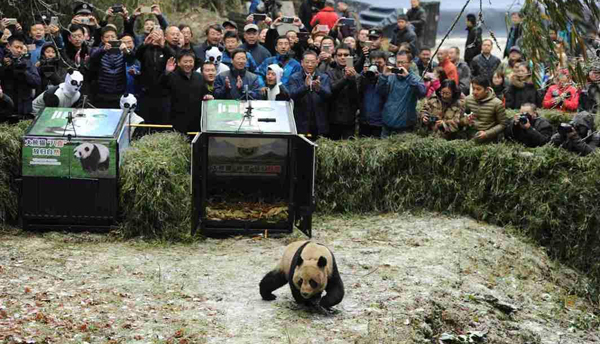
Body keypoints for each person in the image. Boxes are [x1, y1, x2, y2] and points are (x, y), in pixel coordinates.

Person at [377, 50, 426, 138]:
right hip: (387, 125)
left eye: (403, 63)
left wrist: (408, 77)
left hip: (405, 127)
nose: (400, 65)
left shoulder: (415, 78)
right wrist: (383, 77)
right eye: (398, 62)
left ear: (410, 63)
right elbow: (380, 92)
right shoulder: (390, 76)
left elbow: (422, 93)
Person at [161, 52, 213, 134]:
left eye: (190, 61)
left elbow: (205, 92)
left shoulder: (199, 77)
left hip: (196, 119)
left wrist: (208, 96)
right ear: (178, 63)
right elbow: (161, 88)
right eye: (185, 62)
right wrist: (167, 72)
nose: (188, 64)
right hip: (177, 119)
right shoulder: (171, 76)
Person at [288, 50, 332, 137]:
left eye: (312, 62)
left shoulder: (324, 77)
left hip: (319, 120)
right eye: (307, 62)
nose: (310, 65)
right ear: (302, 63)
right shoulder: (295, 77)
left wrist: (319, 89)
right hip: (301, 120)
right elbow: (293, 95)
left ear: (317, 62)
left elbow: (329, 95)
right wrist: (305, 87)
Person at [135, 27, 174, 124]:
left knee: (163, 120)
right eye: (154, 35)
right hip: (147, 91)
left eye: (159, 35)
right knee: (147, 120)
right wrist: (144, 44)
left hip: (164, 91)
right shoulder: (145, 49)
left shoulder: (167, 49)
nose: (156, 37)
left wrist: (162, 45)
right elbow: (136, 55)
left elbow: (174, 57)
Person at [89, 26, 132, 108]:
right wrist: (103, 50)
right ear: (102, 39)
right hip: (101, 94)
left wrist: (126, 51)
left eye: (113, 36)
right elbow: (93, 58)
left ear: (117, 38)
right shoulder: (97, 50)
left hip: (119, 93)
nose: (110, 39)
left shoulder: (123, 51)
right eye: (107, 37)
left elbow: (132, 59)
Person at [0, 33, 41, 117]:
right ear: (8, 46)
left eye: (21, 48)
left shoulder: (27, 63)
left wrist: (24, 72)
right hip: (6, 107)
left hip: (24, 108)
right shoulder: (3, 61)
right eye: (16, 47)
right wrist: (5, 67)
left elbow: (37, 82)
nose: (19, 50)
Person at [325, 43, 359, 140]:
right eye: (340, 55)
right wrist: (346, 78)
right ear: (335, 57)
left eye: (346, 55)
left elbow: (357, 96)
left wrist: (352, 79)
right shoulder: (329, 73)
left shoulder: (356, 74)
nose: (343, 57)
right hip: (333, 118)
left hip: (350, 119)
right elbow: (332, 90)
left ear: (351, 57)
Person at [463, 75, 506, 143]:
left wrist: (487, 133)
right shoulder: (467, 99)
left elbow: (503, 124)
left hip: (489, 140)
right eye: (473, 88)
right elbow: (459, 119)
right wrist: (464, 121)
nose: (474, 92)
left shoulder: (497, 103)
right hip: (469, 138)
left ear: (487, 90)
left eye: (478, 89)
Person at [358, 51, 387, 138]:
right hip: (364, 120)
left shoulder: (388, 76)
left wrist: (382, 77)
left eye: (379, 63)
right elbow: (357, 89)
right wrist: (364, 75)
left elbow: (387, 93)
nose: (377, 65)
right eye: (374, 63)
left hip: (380, 122)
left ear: (385, 62)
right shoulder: (364, 77)